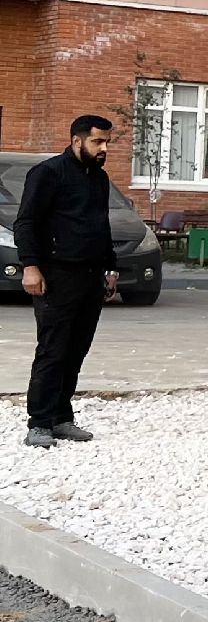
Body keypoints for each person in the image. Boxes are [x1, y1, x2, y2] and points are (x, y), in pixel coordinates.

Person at [14, 116, 119, 449]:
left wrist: (111, 268)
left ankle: (61, 418)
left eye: (106, 142)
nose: (104, 149)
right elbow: (26, 222)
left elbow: (101, 225)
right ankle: (40, 423)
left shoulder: (99, 179)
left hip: (90, 275)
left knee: (76, 350)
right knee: (53, 350)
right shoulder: (47, 173)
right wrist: (30, 266)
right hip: (56, 276)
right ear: (77, 141)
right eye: (97, 142)